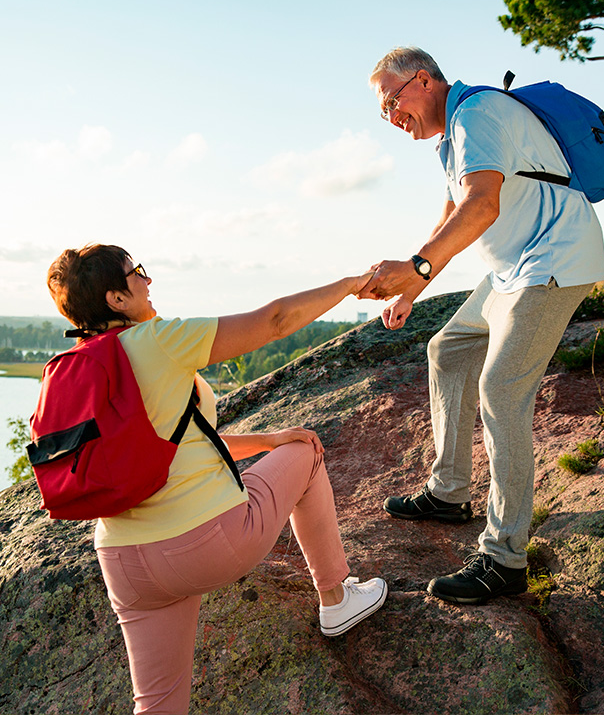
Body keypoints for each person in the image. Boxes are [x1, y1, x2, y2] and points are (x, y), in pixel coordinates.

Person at [45, 244, 387, 714]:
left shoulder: (75, 368)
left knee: (158, 705)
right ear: (116, 299)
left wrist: (266, 439)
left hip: (124, 563)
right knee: (306, 452)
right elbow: (274, 322)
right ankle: (335, 598)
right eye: (137, 272)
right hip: (205, 545)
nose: (148, 280)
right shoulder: (158, 340)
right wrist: (351, 284)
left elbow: (167, 447)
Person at [361, 47, 604, 605]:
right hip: (513, 269)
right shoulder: (453, 135)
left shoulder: (476, 113)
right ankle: (449, 494)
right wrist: (412, 286)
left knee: (501, 389)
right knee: (448, 349)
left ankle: (503, 557)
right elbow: (450, 216)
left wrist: (417, 266)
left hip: (553, 262)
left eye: (390, 103)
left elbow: (481, 205)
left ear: (422, 81)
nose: (391, 119)